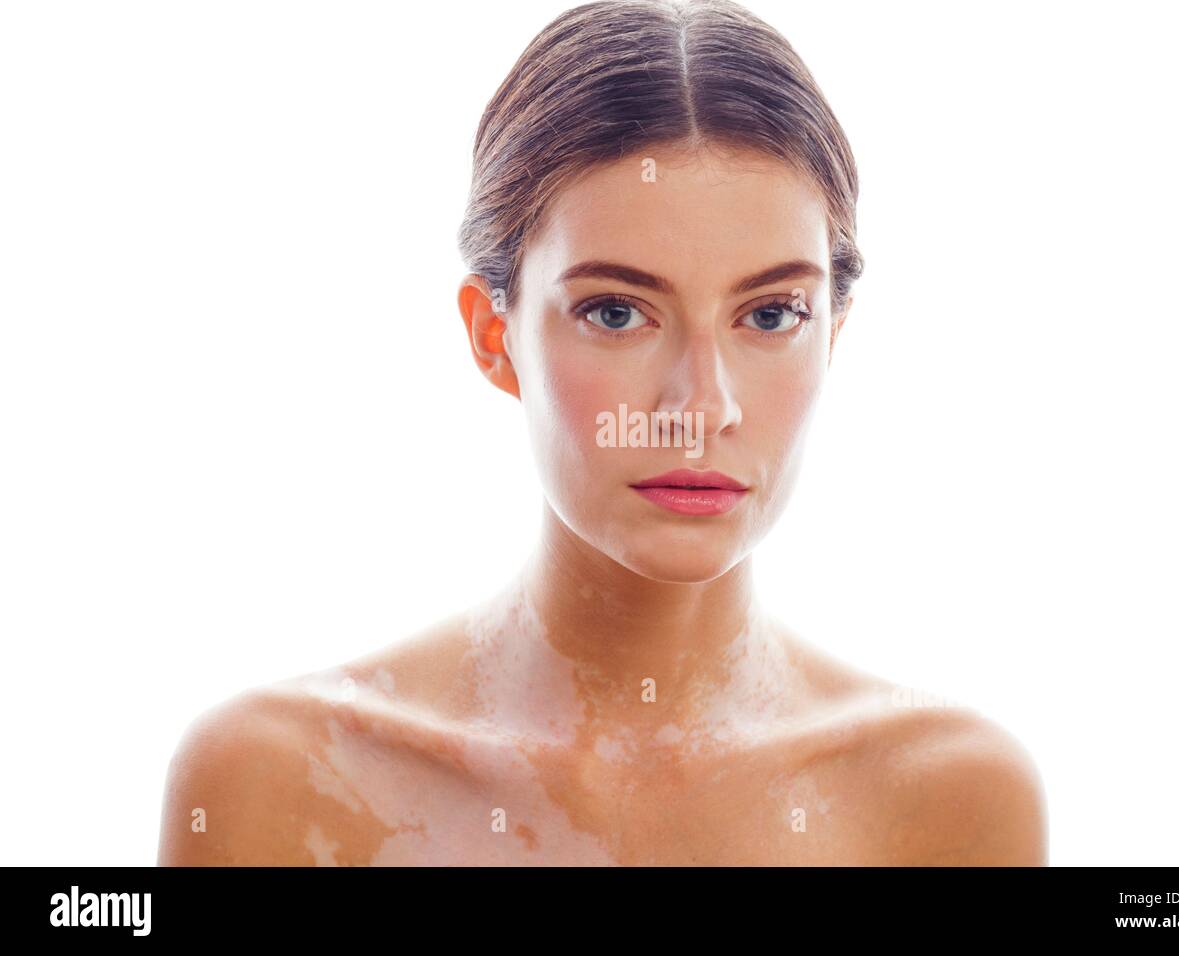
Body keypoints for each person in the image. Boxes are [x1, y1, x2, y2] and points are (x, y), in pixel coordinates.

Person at [158, 0, 1047, 866]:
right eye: (618, 312)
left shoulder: (950, 797)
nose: (703, 406)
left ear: (835, 331)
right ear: (491, 334)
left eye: (771, 313)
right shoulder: (277, 779)